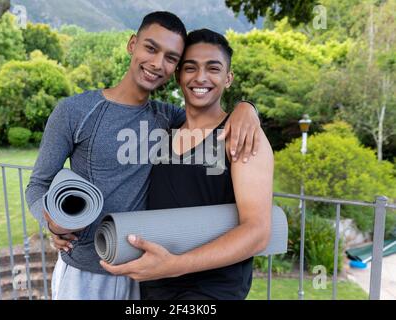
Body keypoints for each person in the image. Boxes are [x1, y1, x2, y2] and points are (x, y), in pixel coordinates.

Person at [25, 12, 262, 300]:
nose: (157, 63)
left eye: (171, 57)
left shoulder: (169, 118)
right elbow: (38, 185)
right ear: (132, 44)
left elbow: (211, 114)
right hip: (86, 272)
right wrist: (51, 221)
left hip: (145, 273)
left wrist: (246, 109)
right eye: (151, 48)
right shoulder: (74, 111)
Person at [100, 29, 274, 300]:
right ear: (179, 76)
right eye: (190, 68)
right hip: (153, 287)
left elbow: (257, 233)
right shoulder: (163, 131)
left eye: (213, 68)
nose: (200, 77)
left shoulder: (242, 136)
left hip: (211, 292)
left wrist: (175, 266)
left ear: (228, 79)